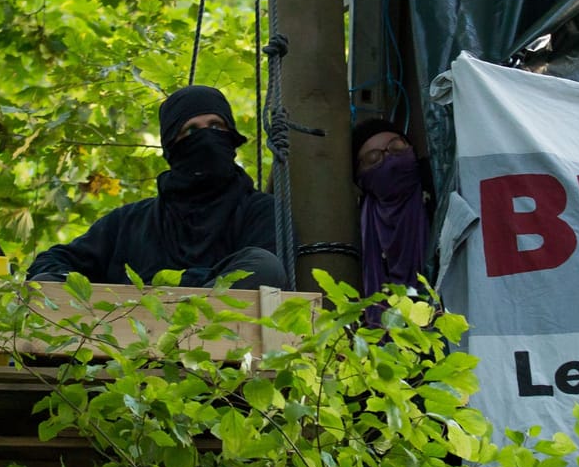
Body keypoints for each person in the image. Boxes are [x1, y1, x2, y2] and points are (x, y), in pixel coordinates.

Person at [26, 85, 290, 288]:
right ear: (172, 147)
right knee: (47, 281)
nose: (206, 137)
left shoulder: (262, 212)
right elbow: (52, 262)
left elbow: (268, 275)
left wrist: (156, 287)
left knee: (263, 266)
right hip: (128, 345)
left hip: (227, 345)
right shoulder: (128, 223)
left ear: (231, 137)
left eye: (216, 126)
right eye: (190, 131)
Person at [351, 118, 434, 318]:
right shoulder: (359, 226)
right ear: (362, 176)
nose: (389, 158)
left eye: (396, 147)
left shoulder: (438, 189)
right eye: (373, 159)